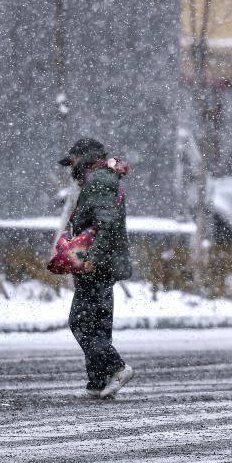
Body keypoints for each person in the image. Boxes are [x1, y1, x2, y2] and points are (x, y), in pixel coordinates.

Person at [59, 138, 135, 399]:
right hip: (104, 264)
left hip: (97, 266)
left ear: (85, 161)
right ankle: (98, 382)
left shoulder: (99, 181)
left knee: (80, 322)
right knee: (98, 324)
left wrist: (92, 257)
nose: (72, 171)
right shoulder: (104, 179)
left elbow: (108, 224)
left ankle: (116, 367)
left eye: (74, 164)